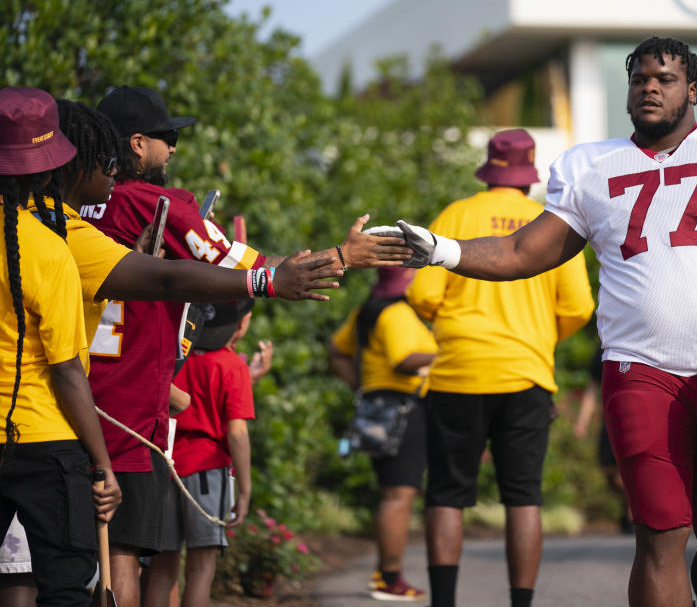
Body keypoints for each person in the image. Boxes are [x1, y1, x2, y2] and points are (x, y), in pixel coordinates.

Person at [393, 37, 697, 607]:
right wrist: (443, 251)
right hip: (638, 370)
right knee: (659, 533)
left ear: (692, 90)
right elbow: (525, 252)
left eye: (665, 78)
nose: (650, 86)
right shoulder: (593, 166)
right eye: (640, 77)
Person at [85, 86, 410, 607]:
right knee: (121, 553)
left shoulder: (67, 203)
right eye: (168, 138)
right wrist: (342, 257)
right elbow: (244, 267)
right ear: (138, 144)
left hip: (72, 396)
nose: (174, 150)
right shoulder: (155, 202)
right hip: (127, 411)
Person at [404, 128, 594, 607]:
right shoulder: (551, 222)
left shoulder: (456, 215)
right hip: (526, 374)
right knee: (523, 497)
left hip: (457, 370)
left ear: (489, 169)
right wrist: (538, 337)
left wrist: (454, 328)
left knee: (447, 494)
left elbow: (422, 294)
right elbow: (578, 307)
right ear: (530, 176)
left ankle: (443, 602)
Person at [0, 86, 122, 606]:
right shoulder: (50, 251)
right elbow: (68, 371)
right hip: (44, 441)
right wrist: (101, 464)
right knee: (66, 586)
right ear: (50, 171)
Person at [328, 266, 438, 601]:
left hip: (378, 406)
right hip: (402, 409)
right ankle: (388, 579)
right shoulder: (398, 313)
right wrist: (453, 351)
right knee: (398, 495)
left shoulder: (368, 308)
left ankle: (386, 574)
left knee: (393, 492)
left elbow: (336, 349)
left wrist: (360, 386)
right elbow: (404, 359)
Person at [144, 299, 261, 607]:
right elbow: (236, 432)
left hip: (164, 466)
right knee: (201, 568)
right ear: (239, 325)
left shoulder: (173, 356)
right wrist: (245, 491)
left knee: (162, 569)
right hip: (207, 474)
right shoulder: (233, 365)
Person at [571, 344, 632, 535]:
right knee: (610, 471)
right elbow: (592, 387)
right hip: (610, 418)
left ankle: (633, 515)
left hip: (634, 415)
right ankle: (631, 506)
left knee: (629, 470)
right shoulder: (604, 346)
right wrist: (582, 421)